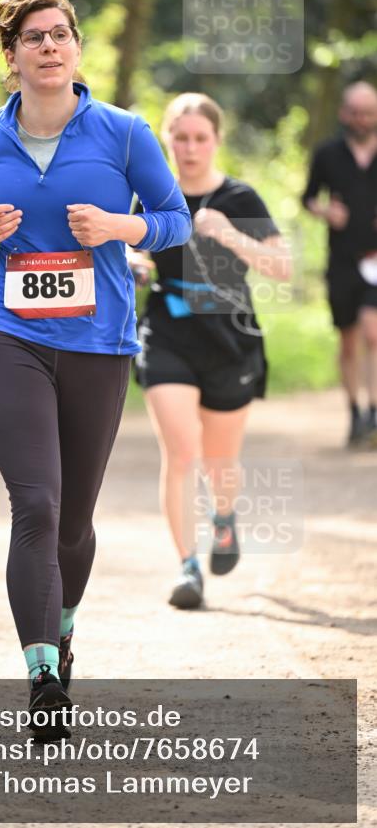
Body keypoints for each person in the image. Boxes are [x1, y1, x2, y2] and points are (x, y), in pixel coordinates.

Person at [0, 0, 191, 734]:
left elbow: (175, 220)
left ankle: (65, 633)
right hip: (13, 334)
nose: (49, 47)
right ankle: (41, 676)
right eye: (33, 38)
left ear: (76, 48)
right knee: (36, 505)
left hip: (99, 342)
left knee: (74, 522)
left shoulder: (122, 132)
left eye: (60, 35)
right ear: (10, 54)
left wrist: (118, 224)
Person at [130, 93, 291, 610]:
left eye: (200, 138)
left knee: (220, 461)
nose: (190, 148)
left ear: (216, 140)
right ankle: (187, 566)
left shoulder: (241, 198)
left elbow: (281, 266)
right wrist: (135, 264)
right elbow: (129, 247)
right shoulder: (153, 196)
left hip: (228, 337)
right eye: (180, 137)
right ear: (166, 140)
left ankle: (224, 517)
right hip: (166, 330)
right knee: (181, 452)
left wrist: (228, 235)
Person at [302, 81, 377, 445]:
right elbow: (308, 198)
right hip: (342, 259)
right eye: (357, 113)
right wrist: (326, 211)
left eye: (370, 113)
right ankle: (355, 413)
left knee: (373, 332)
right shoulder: (328, 153)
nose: (363, 120)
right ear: (344, 113)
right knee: (348, 341)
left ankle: (375, 412)